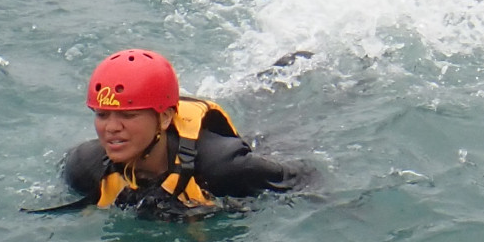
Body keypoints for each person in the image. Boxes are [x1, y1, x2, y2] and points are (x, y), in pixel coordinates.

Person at [56, 49, 306, 217]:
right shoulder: (84, 166)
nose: (111, 127)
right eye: (102, 114)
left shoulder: (224, 168)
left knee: (268, 113)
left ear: (164, 117)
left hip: (269, 145)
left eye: (128, 115)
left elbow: (305, 179)